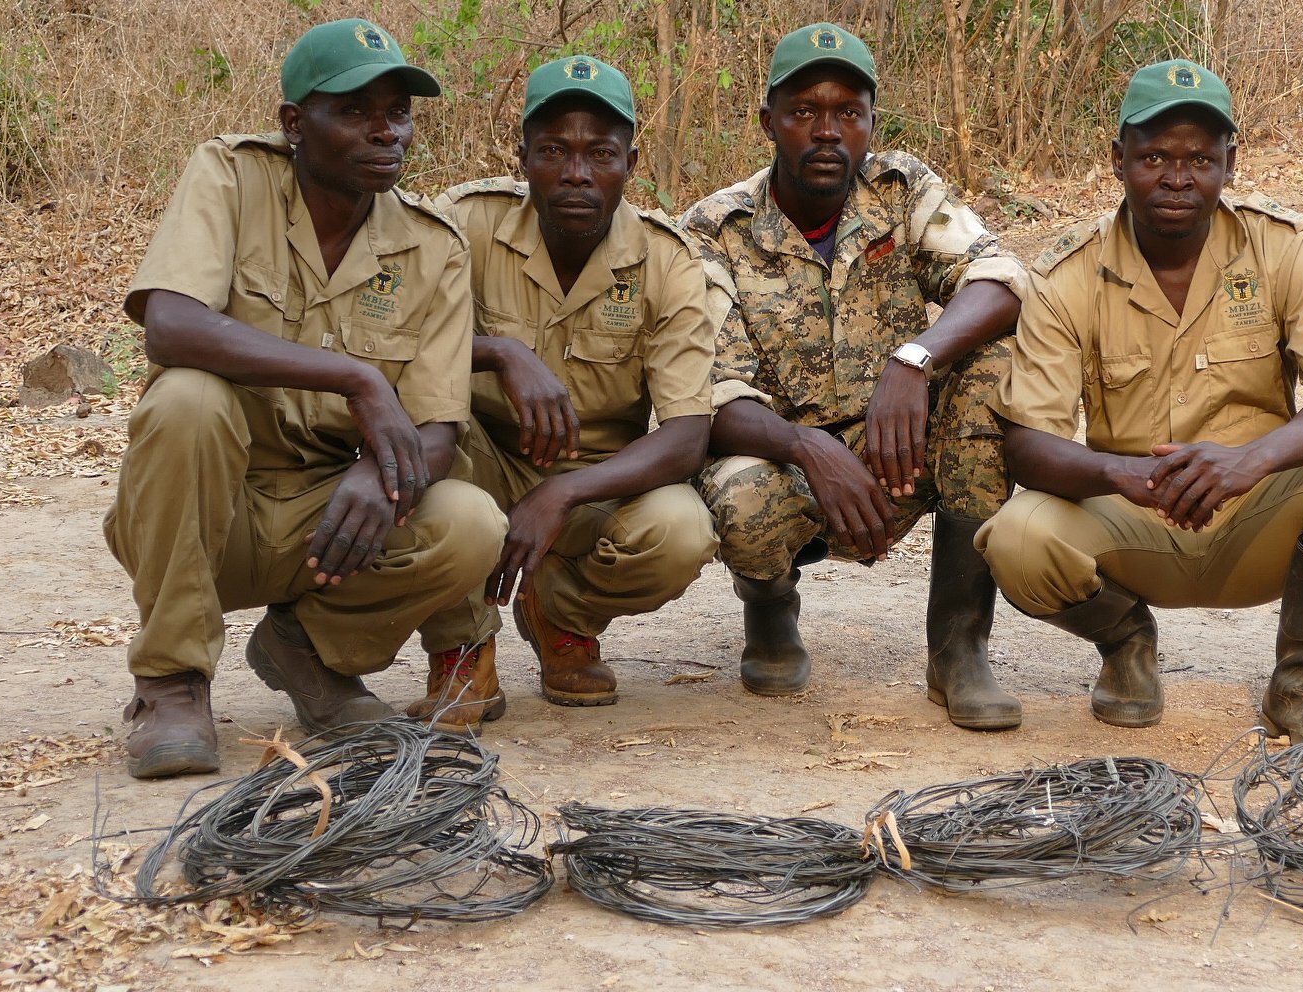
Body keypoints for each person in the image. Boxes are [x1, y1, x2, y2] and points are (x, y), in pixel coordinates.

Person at [104, 20, 502, 777]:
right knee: (187, 399)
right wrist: (355, 377)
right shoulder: (229, 175)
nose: (386, 132)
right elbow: (171, 324)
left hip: (327, 522)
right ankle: (172, 682)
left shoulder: (433, 244)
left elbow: (437, 424)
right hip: (205, 516)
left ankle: (309, 653)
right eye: (355, 112)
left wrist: (378, 478)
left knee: (469, 520)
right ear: (295, 124)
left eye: (398, 112)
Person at [976, 60, 1303, 733]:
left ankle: (1300, 681)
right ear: (1117, 159)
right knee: (1017, 536)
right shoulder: (1068, 273)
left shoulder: (1280, 246)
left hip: (1258, 511)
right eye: (1153, 155)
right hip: (1133, 517)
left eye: (1199, 158)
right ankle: (1125, 644)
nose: (1177, 176)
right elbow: (1027, 443)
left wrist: (1252, 460)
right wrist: (1116, 473)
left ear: (1229, 163)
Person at [679, 23, 1029, 729]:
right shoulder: (713, 229)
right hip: (789, 464)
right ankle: (770, 603)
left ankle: (958, 648)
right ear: (768, 123)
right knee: (739, 493)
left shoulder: (902, 189)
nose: (828, 131)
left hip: (896, 448)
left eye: (848, 112)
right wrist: (811, 447)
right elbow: (709, 394)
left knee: (994, 366)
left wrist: (914, 357)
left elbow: (1002, 277)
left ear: (871, 121)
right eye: (804, 111)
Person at [409, 56, 717, 717]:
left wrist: (561, 490)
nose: (575, 173)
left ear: (631, 162)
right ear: (521, 156)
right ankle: (461, 651)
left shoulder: (667, 260)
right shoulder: (465, 224)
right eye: (553, 150)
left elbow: (688, 434)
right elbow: (395, 350)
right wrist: (499, 351)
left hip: (593, 482)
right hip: (479, 458)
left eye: (599, 153)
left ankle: (561, 614)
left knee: (680, 530)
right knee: (426, 430)